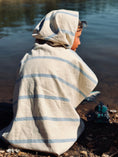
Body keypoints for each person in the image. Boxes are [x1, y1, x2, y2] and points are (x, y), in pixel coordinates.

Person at [1, 9, 98, 155]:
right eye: (77, 37)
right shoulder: (70, 58)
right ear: (65, 35)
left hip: (21, 133)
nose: (79, 42)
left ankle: (29, 131)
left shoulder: (29, 56)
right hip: (57, 138)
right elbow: (90, 81)